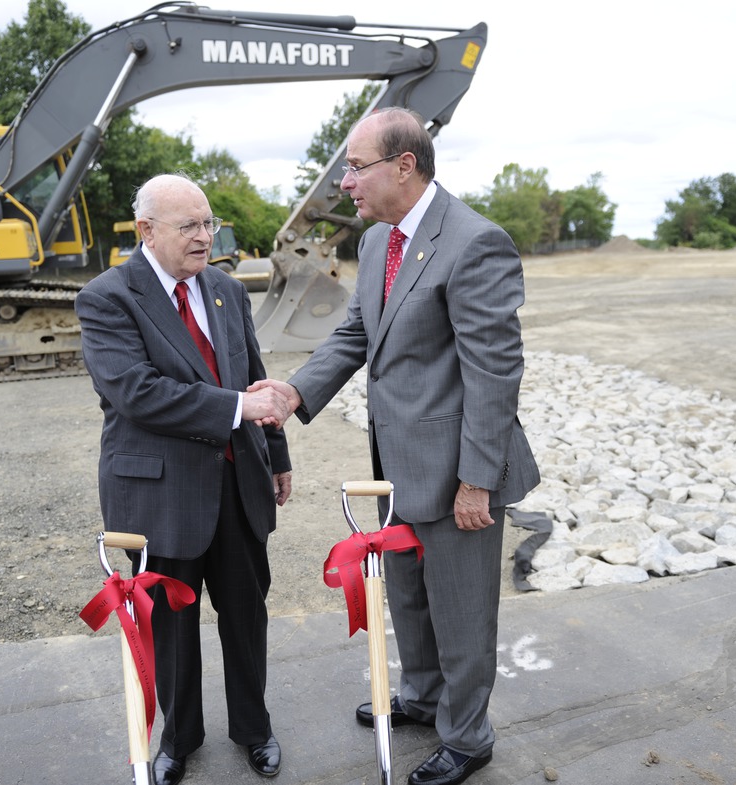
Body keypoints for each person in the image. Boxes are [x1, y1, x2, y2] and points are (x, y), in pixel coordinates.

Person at [250, 108, 539, 785]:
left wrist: (477, 480)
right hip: (398, 463)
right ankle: (424, 697)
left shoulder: (475, 243)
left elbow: (495, 373)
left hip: (460, 470)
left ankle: (467, 737)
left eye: (356, 166)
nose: (345, 181)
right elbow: (356, 334)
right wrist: (294, 394)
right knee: (408, 593)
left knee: (463, 611)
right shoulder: (380, 244)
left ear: (404, 165)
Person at [75, 173, 293, 785]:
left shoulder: (224, 288)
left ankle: (255, 728)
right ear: (146, 231)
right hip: (159, 492)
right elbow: (135, 393)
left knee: (247, 613)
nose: (205, 238)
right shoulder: (107, 297)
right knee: (170, 625)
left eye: (209, 224)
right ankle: (180, 739)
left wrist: (275, 453)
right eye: (189, 227)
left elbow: (253, 374)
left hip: (237, 483)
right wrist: (235, 410)